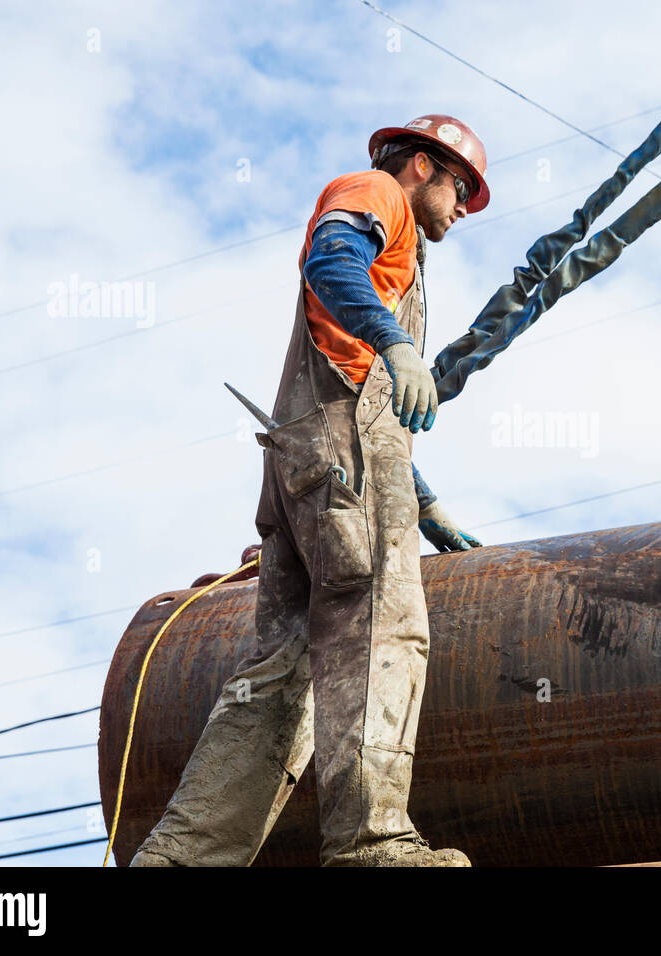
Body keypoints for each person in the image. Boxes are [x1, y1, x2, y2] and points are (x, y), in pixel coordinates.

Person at [130, 114, 490, 867]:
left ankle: (184, 859)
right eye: (462, 189)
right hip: (339, 464)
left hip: (309, 466)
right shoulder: (378, 195)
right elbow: (330, 259)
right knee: (378, 632)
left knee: (284, 675)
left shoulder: (399, 241)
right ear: (422, 166)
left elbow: (355, 399)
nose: (462, 209)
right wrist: (396, 341)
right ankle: (373, 843)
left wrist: (424, 506)